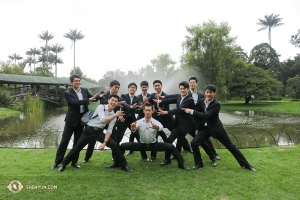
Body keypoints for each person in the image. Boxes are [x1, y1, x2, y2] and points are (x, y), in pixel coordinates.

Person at [182, 84, 256, 171]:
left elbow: (206, 116)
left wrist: (191, 111)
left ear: (214, 94)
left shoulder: (216, 105)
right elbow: (198, 118)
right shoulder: (201, 101)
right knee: (194, 143)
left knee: (231, 146)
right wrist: (197, 128)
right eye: (207, 92)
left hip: (217, 129)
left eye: (211, 92)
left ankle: (246, 165)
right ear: (205, 92)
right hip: (206, 129)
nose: (209, 94)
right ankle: (199, 163)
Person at [57, 94, 132, 172]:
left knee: (115, 146)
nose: (113, 102)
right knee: (76, 148)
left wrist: (104, 143)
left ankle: (124, 165)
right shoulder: (101, 107)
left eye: (116, 101)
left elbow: (109, 130)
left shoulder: (113, 115)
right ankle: (64, 164)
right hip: (89, 131)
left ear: (117, 103)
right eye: (112, 100)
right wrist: (115, 115)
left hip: (99, 132)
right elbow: (103, 120)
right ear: (108, 100)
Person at [156, 81, 217, 167]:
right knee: (169, 141)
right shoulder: (179, 97)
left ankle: (213, 158)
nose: (182, 90)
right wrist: (160, 101)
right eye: (181, 89)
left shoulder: (190, 100)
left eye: (184, 89)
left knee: (202, 142)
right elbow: (170, 100)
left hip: (190, 125)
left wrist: (165, 112)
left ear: (188, 89)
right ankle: (167, 159)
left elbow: (180, 110)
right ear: (179, 89)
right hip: (179, 125)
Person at [120, 103, 190, 170]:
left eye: (149, 110)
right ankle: (121, 164)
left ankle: (181, 164)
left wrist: (156, 127)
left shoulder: (155, 122)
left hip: (154, 145)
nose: (147, 112)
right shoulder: (139, 122)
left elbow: (161, 127)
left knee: (171, 147)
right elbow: (133, 129)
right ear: (143, 111)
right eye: (146, 110)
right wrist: (133, 128)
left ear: (152, 111)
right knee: (122, 146)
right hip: (141, 145)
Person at [51, 74, 98, 170]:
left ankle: (74, 162)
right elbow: (73, 102)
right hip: (71, 121)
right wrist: (88, 100)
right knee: (64, 142)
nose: (78, 82)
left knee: (77, 143)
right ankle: (57, 162)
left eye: (79, 80)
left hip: (81, 121)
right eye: (76, 81)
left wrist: (100, 95)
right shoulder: (68, 93)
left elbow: (93, 98)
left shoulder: (84, 90)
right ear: (71, 82)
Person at [83, 80, 124, 163]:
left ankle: (115, 158)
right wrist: (114, 103)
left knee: (114, 140)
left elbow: (118, 109)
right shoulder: (105, 93)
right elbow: (103, 102)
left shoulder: (118, 98)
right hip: (100, 121)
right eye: (115, 87)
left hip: (110, 121)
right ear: (110, 87)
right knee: (92, 140)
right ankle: (87, 157)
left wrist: (119, 114)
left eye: (118, 88)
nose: (117, 89)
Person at [188, 77, 220, 160]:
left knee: (205, 139)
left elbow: (204, 109)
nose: (192, 84)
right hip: (189, 119)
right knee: (181, 136)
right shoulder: (186, 94)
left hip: (199, 119)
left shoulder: (201, 95)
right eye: (190, 82)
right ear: (189, 84)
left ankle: (214, 154)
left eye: (193, 82)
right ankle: (184, 149)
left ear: (196, 84)